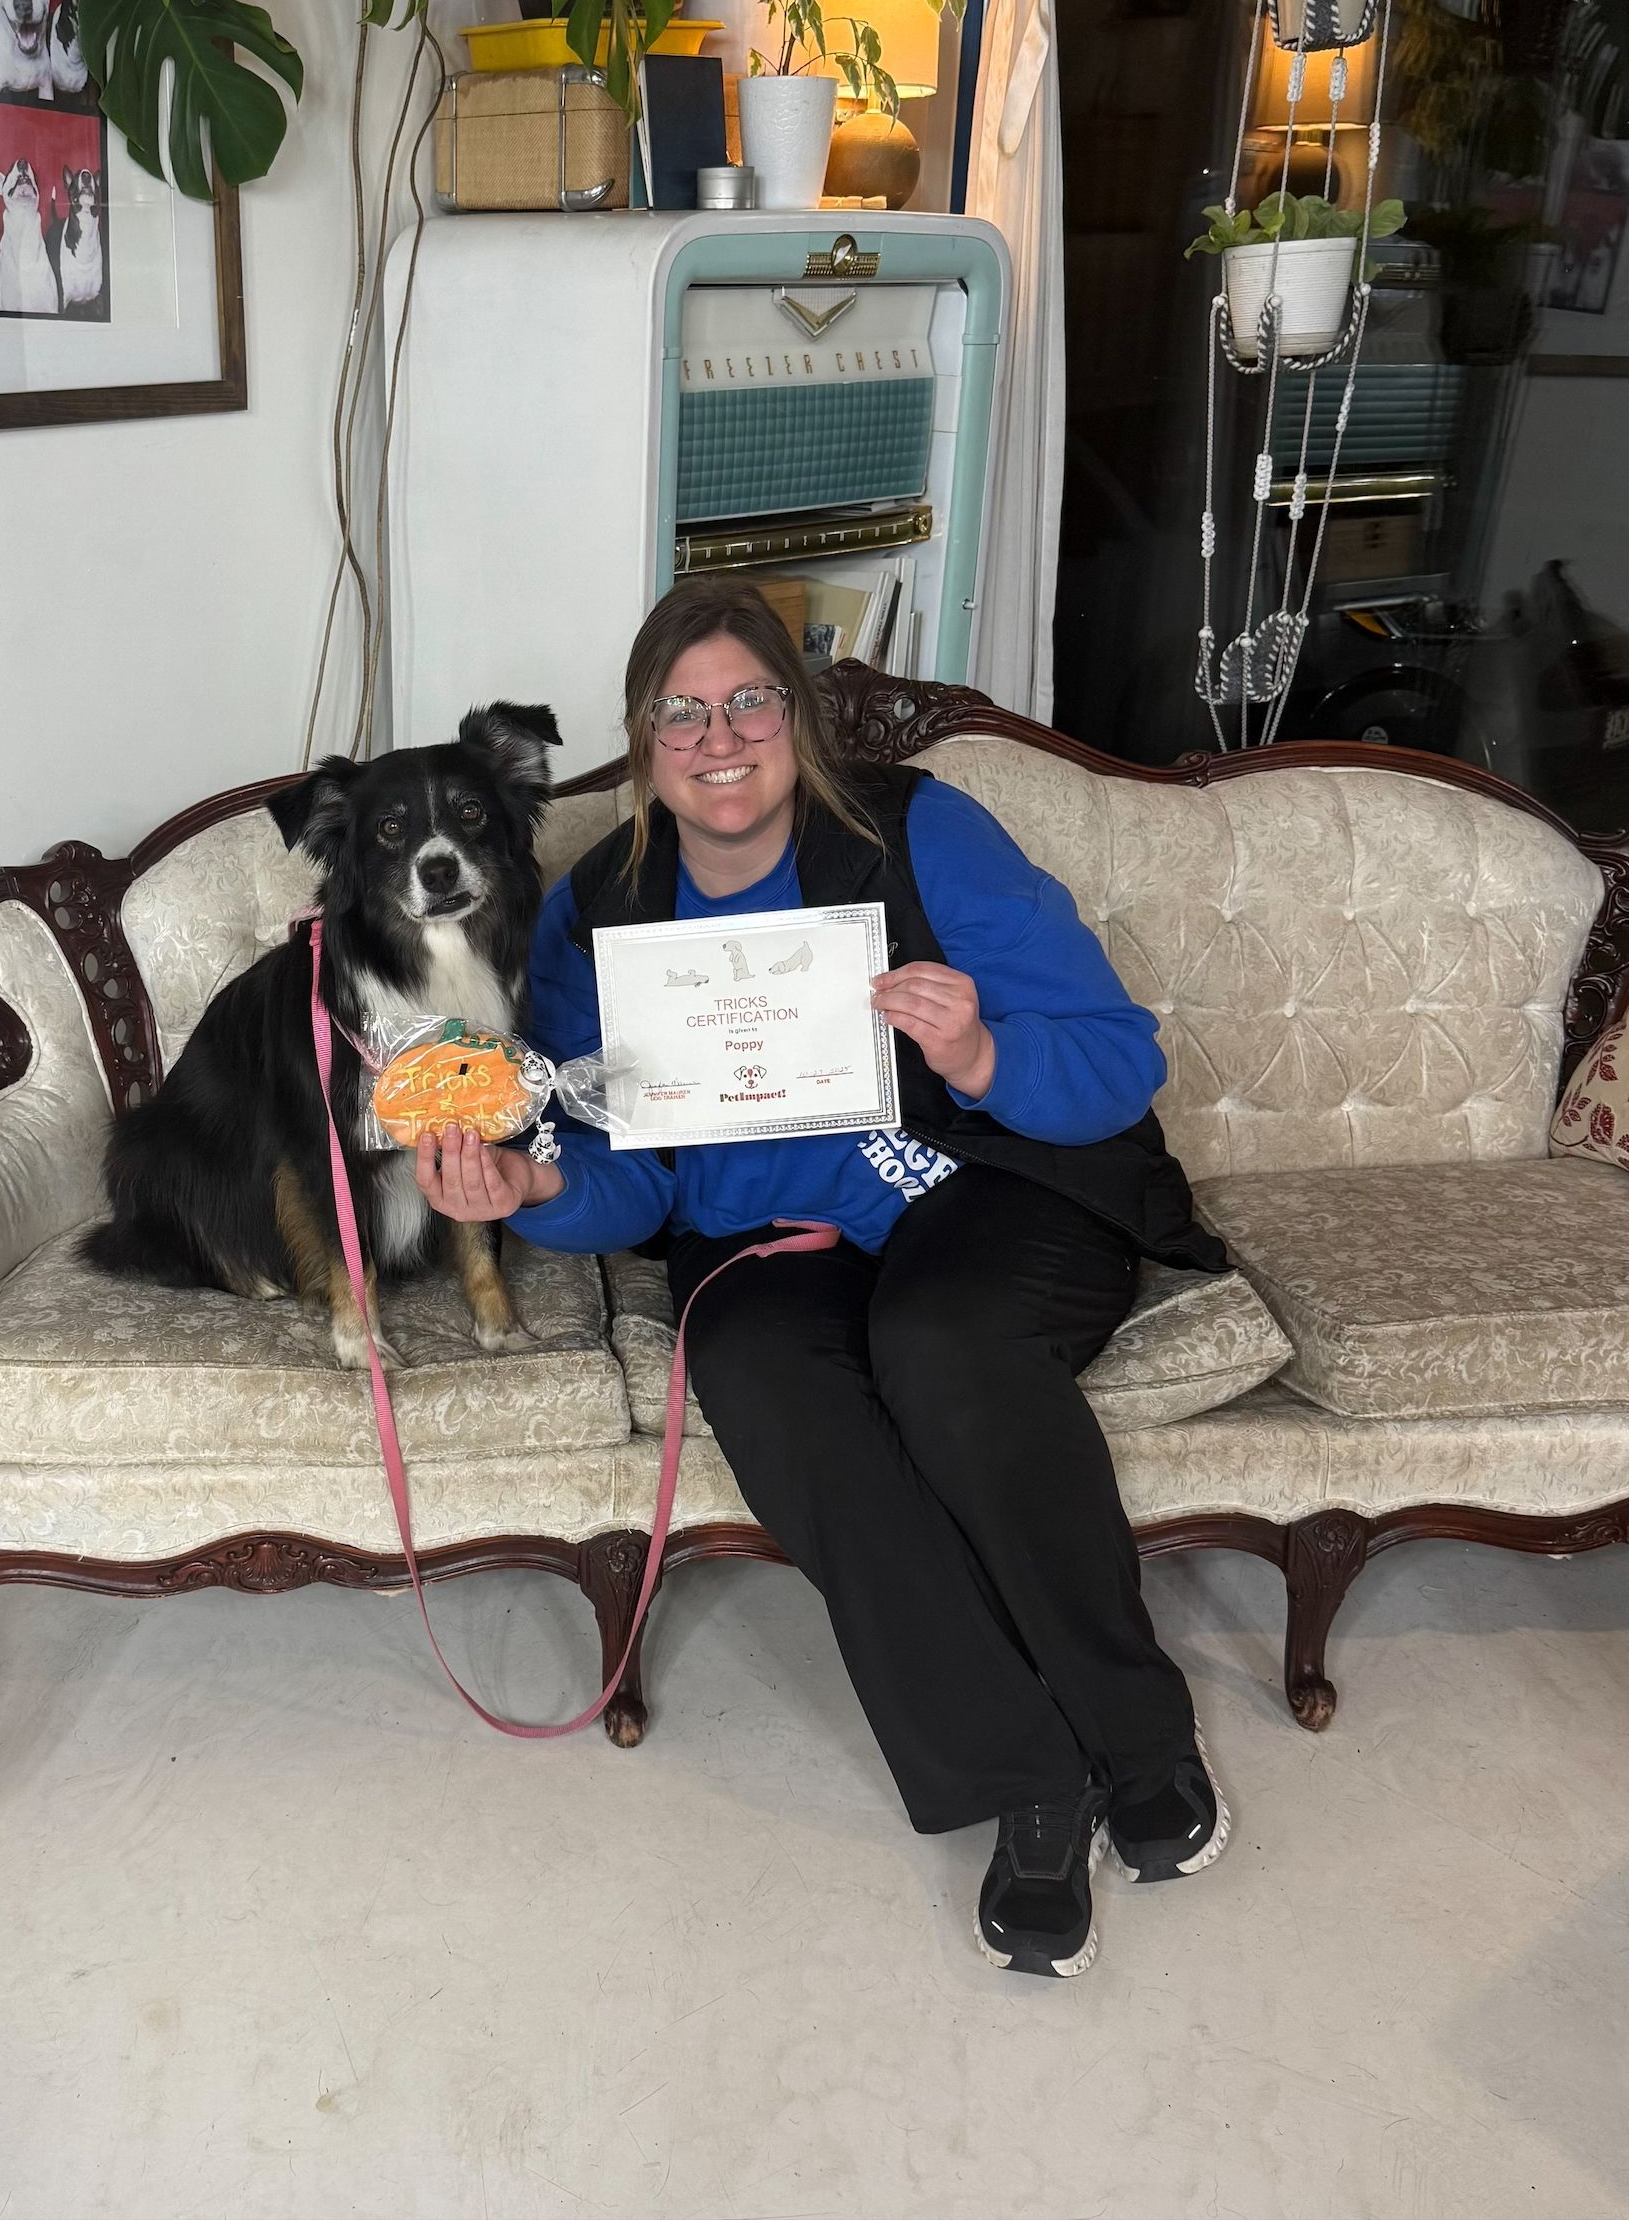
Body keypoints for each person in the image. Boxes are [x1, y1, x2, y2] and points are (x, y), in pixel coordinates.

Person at [414, 577, 1232, 1979]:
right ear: (643, 732)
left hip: (991, 1184)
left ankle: (1137, 1728)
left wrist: (978, 1054)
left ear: (795, 719)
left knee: (939, 1338)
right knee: (756, 1371)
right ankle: (1024, 1778)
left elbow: (1118, 1060)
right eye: (683, 710)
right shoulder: (598, 909)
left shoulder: (925, 835)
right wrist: (535, 1185)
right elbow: (625, 1169)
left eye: (749, 701)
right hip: (759, 1233)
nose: (718, 736)